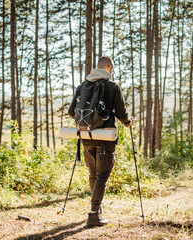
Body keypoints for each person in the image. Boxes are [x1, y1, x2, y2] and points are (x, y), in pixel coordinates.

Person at [68, 56, 133, 227]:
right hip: (105, 139)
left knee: (93, 174)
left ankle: (97, 210)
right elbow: (121, 113)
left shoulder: (82, 85)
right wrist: (128, 122)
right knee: (102, 176)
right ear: (110, 68)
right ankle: (94, 214)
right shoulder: (113, 87)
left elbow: (71, 111)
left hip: (86, 137)